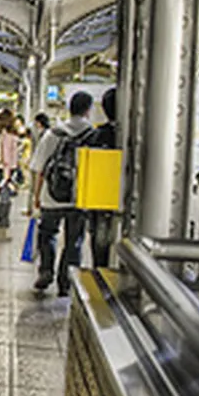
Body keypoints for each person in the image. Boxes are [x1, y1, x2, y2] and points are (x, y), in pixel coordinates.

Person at [29, 92, 95, 296]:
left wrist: (36, 197)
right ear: (88, 110)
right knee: (74, 242)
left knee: (47, 234)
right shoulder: (93, 135)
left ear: (69, 108)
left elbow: (39, 168)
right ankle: (66, 281)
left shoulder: (53, 134)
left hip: (51, 197)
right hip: (79, 199)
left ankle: (46, 271)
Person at [87, 88, 117, 267]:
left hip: (100, 200)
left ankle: (99, 273)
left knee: (100, 242)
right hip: (123, 201)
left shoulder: (97, 135)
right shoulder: (136, 135)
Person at [0, 109, 19, 228]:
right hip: (11, 169)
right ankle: (3, 219)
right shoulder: (12, 135)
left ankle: (2, 219)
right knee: (5, 194)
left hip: (5, 169)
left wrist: (5, 176)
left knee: (3, 194)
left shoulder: (5, 137)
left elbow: (6, 157)